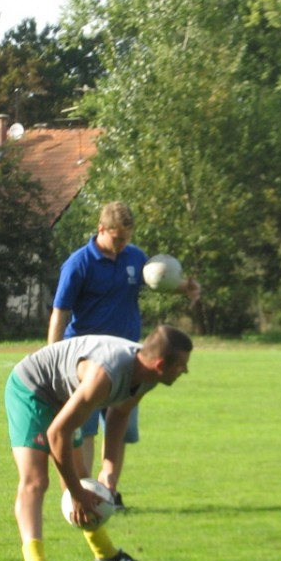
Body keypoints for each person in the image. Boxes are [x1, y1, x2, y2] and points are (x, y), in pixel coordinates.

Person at [6, 324, 194, 561]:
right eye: (182, 366)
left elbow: (119, 413)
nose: (185, 372)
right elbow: (57, 433)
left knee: (82, 478)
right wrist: (75, 494)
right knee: (36, 480)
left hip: (63, 394)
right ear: (161, 364)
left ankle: (106, 557)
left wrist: (108, 467)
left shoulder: (149, 376)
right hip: (32, 387)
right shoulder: (106, 373)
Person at [48, 202, 200, 509]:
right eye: (118, 238)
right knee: (85, 430)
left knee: (119, 424)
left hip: (130, 362)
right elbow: (60, 312)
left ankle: (109, 492)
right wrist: (53, 356)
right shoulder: (78, 263)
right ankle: (87, 494)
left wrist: (184, 288)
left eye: (127, 238)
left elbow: (158, 283)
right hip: (87, 364)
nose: (123, 245)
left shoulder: (135, 257)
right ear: (101, 229)